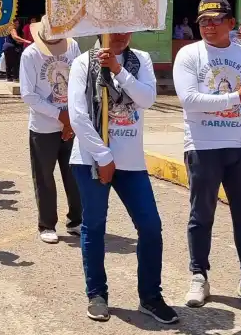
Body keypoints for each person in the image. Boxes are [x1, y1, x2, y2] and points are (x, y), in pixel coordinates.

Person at [172, 0, 241, 309]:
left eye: (216, 19)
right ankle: (198, 277)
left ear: (232, 24)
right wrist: (237, 98)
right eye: (203, 21)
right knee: (201, 215)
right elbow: (189, 99)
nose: (209, 25)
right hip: (203, 147)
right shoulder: (188, 55)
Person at [67, 31, 176, 324]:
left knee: (151, 227)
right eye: (114, 27)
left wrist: (118, 69)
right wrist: (103, 157)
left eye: (127, 26)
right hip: (91, 159)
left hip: (131, 161)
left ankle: (151, 296)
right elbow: (78, 115)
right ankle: (97, 294)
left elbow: (147, 98)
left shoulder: (140, 59)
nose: (121, 33)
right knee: (94, 226)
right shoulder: (82, 63)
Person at [19, 16, 83, 244]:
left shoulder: (72, 46)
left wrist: (70, 120)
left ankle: (76, 220)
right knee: (45, 177)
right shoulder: (31, 55)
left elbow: (79, 82)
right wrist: (59, 115)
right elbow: (28, 94)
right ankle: (47, 224)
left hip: (71, 123)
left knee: (75, 174)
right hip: (43, 127)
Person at [2, 17, 31, 82]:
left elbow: (18, 40)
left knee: (10, 63)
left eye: (18, 23)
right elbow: (15, 37)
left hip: (11, 47)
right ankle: (14, 78)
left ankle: (10, 77)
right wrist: (25, 41)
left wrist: (21, 41)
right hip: (11, 48)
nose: (17, 25)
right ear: (12, 23)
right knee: (15, 63)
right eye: (16, 23)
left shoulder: (18, 30)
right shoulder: (12, 29)